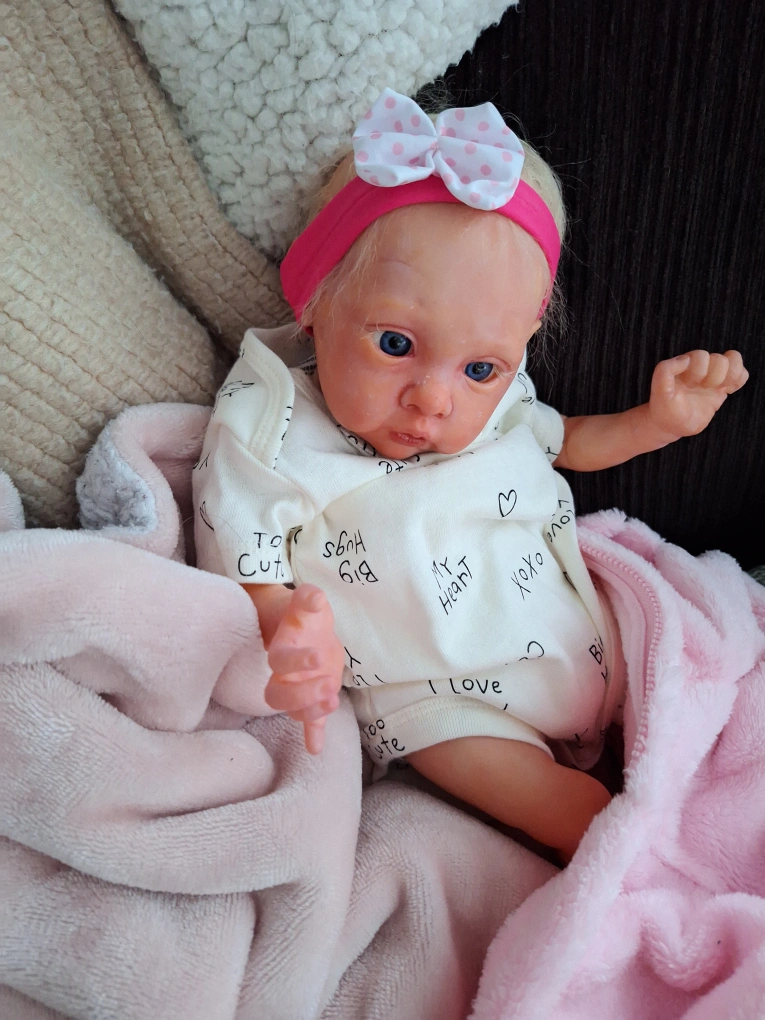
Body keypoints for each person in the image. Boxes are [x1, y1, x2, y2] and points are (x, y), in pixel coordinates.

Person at [193, 89, 748, 860]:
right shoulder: (273, 420)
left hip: (580, 635)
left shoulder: (500, 403)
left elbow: (567, 441)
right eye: (395, 345)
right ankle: (634, 858)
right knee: (558, 806)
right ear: (315, 301)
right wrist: (286, 622)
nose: (434, 398)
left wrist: (656, 422)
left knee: (712, 672)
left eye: (481, 367)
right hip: (441, 699)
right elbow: (246, 551)